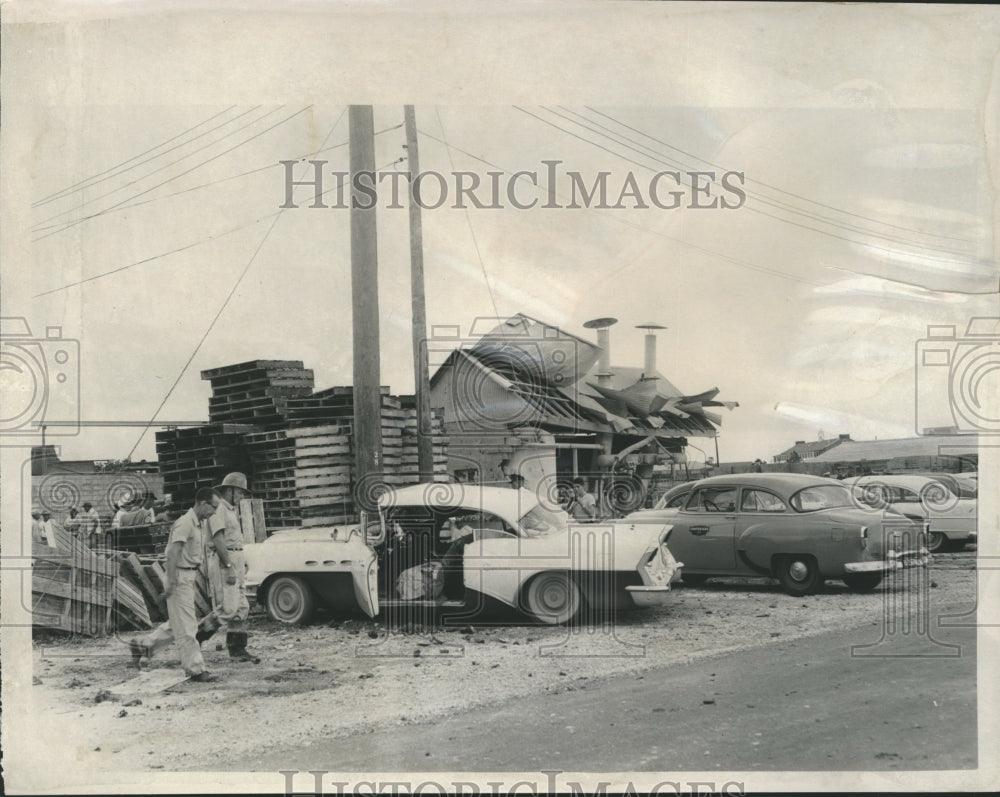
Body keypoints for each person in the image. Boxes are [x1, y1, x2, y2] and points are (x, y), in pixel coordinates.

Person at [129, 488, 220, 682]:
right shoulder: (185, 523)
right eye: (214, 507)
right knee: (187, 626)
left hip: (187, 576)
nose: (214, 512)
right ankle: (195, 669)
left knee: (180, 622)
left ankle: (144, 645)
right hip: (179, 576)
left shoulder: (198, 524)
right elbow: (172, 553)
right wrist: (170, 580)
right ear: (203, 503)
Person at [206, 473, 257, 663]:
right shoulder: (219, 509)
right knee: (227, 608)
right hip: (224, 559)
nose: (242, 497)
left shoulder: (229, 510)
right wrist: (228, 566)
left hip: (234, 556)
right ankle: (195, 639)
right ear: (230, 490)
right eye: (240, 493)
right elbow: (218, 539)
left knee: (241, 606)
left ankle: (238, 650)